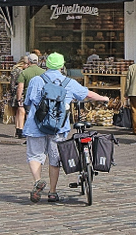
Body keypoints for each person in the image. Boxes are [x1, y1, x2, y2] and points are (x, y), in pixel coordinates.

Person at [22, 52, 110, 202]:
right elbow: (87, 94)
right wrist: (104, 98)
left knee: (35, 155)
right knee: (55, 160)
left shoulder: (36, 80)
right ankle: (52, 192)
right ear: (62, 66)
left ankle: (37, 181)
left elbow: (28, 102)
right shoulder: (69, 82)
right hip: (58, 126)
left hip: (36, 125)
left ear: (46, 64)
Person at [13, 51, 45, 138]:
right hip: (41, 97)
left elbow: (20, 87)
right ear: (37, 62)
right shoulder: (43, 72)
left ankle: (26, 132)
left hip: (29, 96)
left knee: (28, 114)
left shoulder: (24, 72)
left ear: (29, 62)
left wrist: (18, 99)